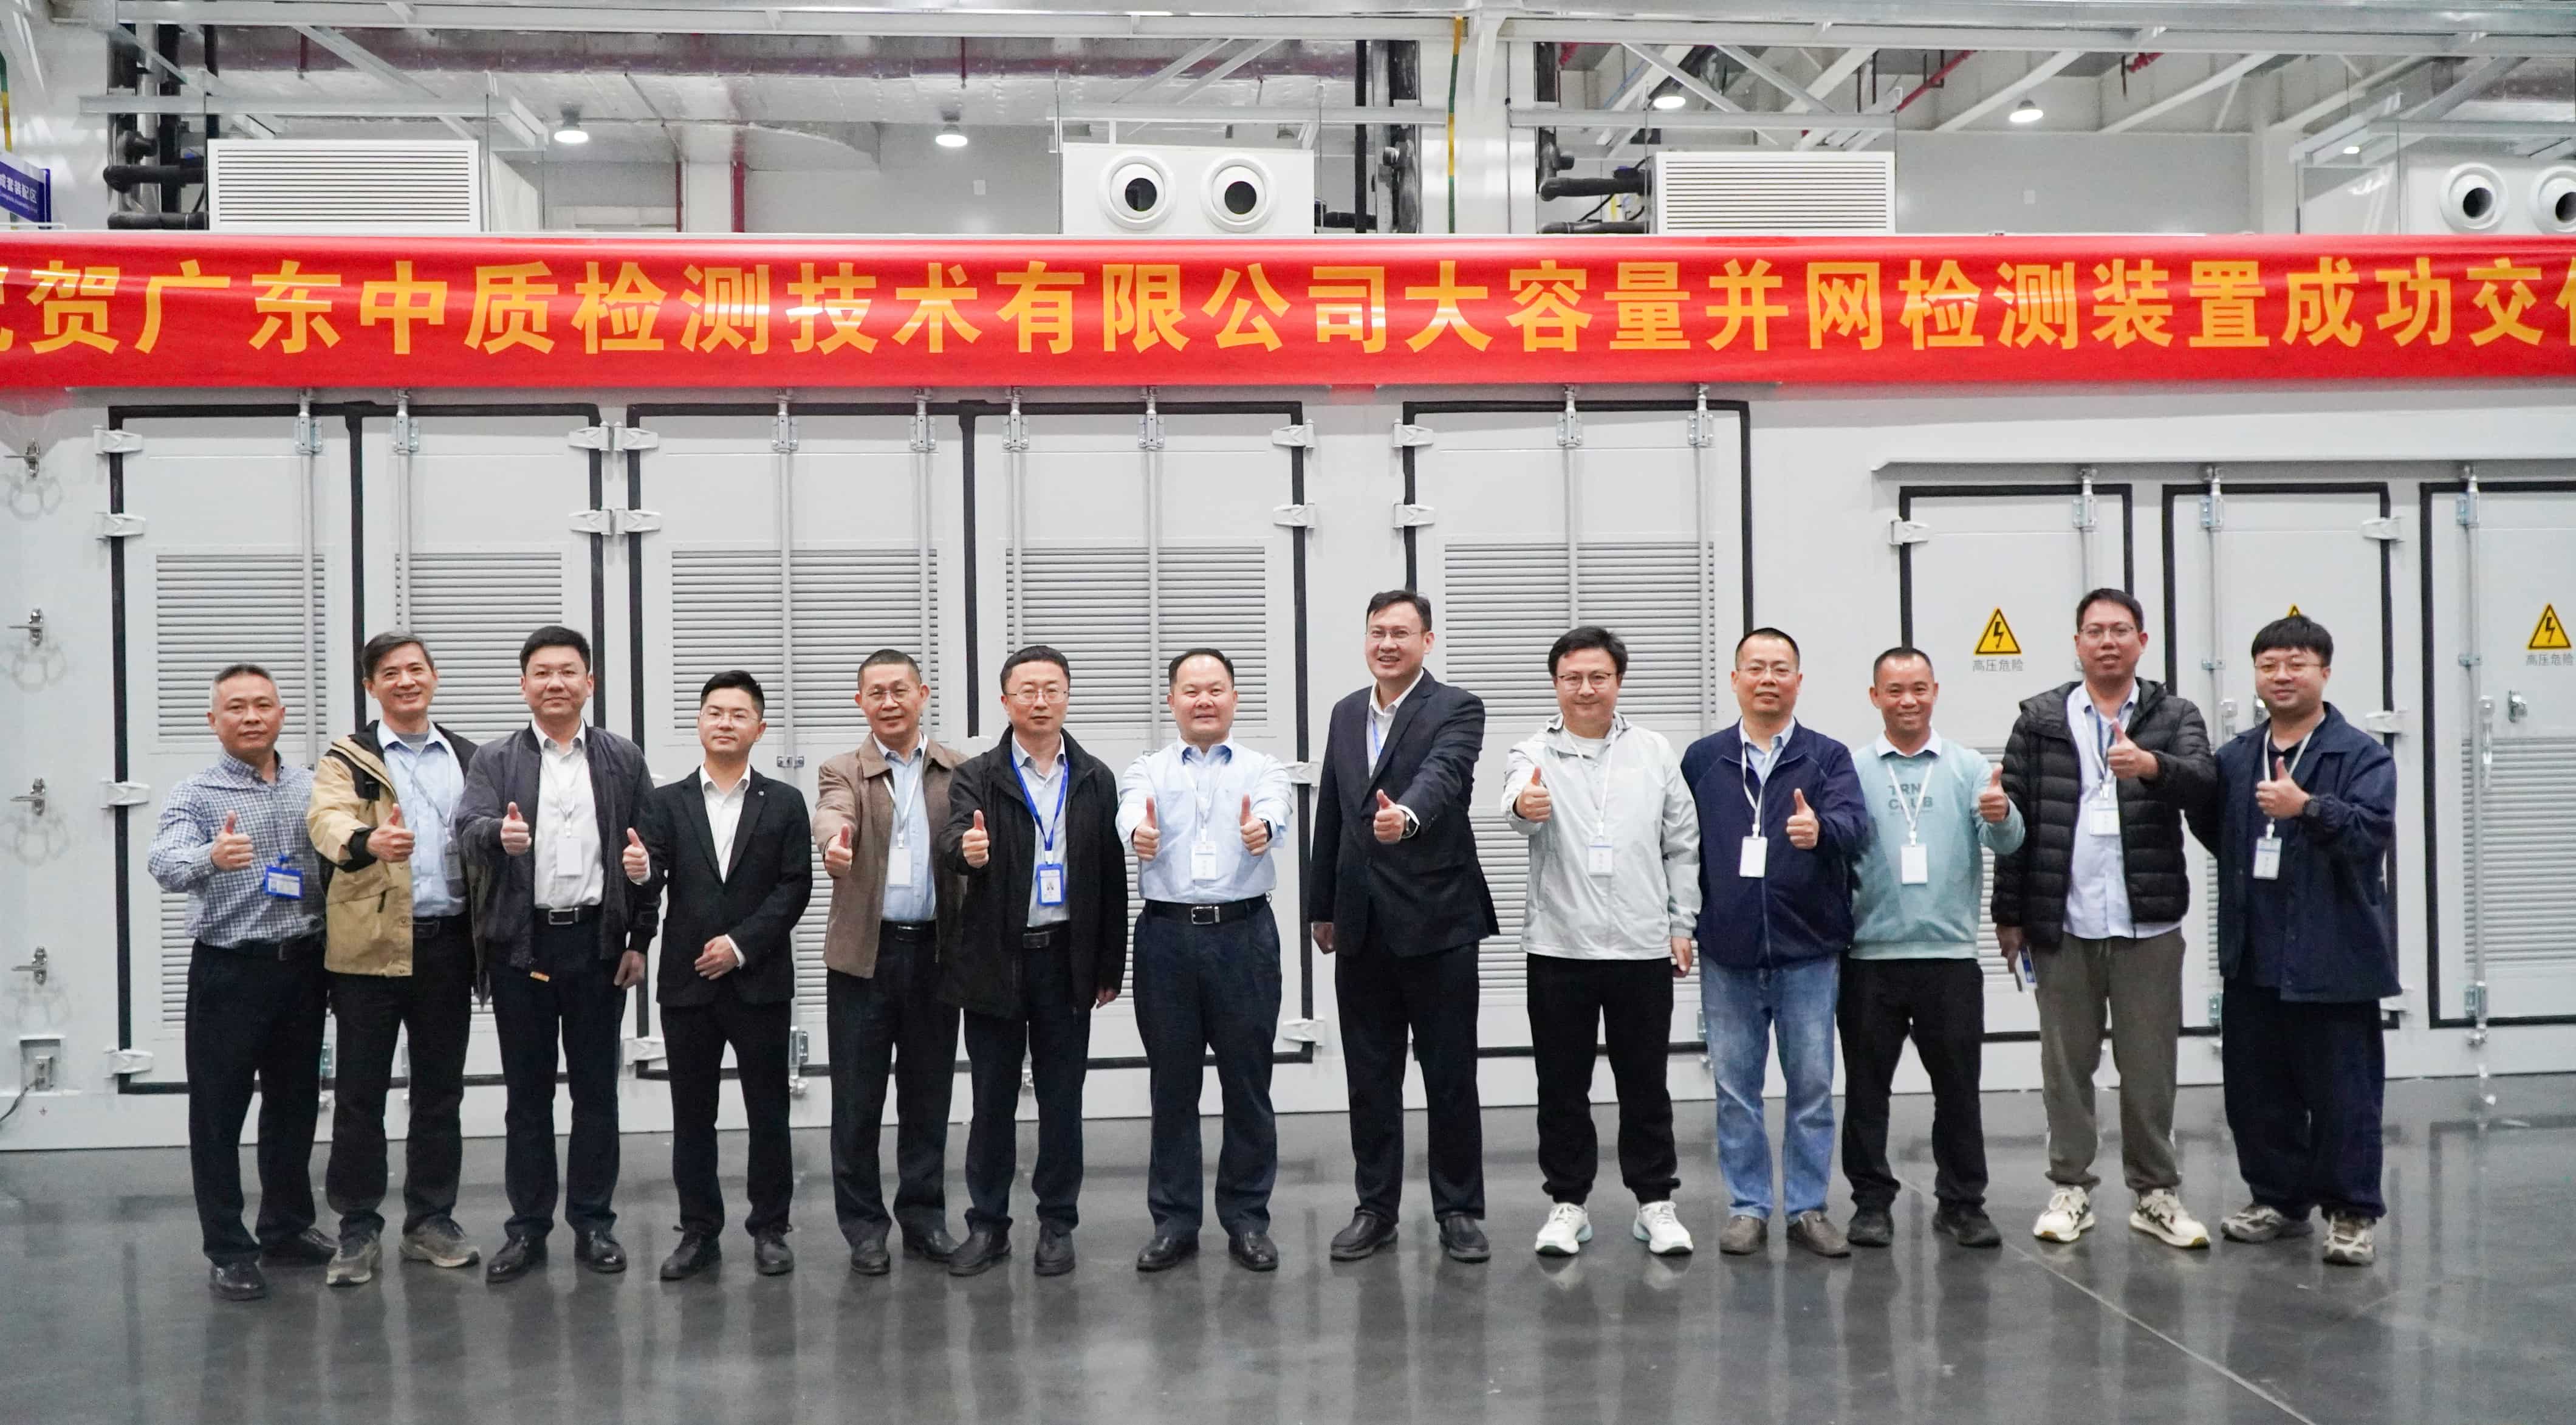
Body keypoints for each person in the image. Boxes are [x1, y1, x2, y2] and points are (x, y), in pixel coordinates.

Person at [1993, 588, 2219, 1249]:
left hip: (2147, 923)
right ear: (2077, 643)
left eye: (2121, 630)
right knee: (2065, 1066)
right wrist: (2008, 913)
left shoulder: (2174, 713)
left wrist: (2152, 766)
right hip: (2062, 923)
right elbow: (2013, 820)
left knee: (2149, 1065)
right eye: (2094, 630)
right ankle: (2070, 1187)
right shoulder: (2039, 719)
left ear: (2142, 642)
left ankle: (2155, 1192)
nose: (2107, 641)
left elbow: (2204, 782)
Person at [2185, 616, 2396, 1268]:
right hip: (2254, 956)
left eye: (2296, 664)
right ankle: (2277, 1199)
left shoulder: (2359, 754)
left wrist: (2307, 806)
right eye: (2269, 664)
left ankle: (2352, 1211)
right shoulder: (2236, 756)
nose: (2282, 676)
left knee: (2343, 1095)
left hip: (2334, 956)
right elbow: (2214, 826)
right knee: (2257, 1092)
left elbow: (2370, 833)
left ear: (2323, 672)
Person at [456, 625, 657, 1284]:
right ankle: (527, 1227)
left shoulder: (622, 757)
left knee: (597, 1093)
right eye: (542, 672)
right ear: (524, 685)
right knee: (528, 1096)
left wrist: (640, 938)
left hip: (597, 944)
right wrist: (500, 833)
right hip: (524, 946)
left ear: (589, 683)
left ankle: (594, 1222)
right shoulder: (495, 759)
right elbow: (466, 827)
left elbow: (649, 853)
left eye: (568, 671)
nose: (555, 683)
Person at [1498, 626, 1701, 1259]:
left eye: (1598, 677)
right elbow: (1513, 804)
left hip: (1642, 945)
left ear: (1618, 681)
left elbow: (1682, 843)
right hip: (1560, 946)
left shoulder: (1654, 750)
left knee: (1646, 1083)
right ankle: (1568, 1203)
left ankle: (1654, 1202)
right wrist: (1525, 805)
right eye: (1572, 678)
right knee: (1561, 1084)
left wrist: (1682, 923)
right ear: (1555, 683)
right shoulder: (1532, 751)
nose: (1585, 689)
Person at [1308, 589, 1498, 1265]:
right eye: (1377, 632)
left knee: (1449, 1073)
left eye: (1401, 632)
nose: (1387, 643)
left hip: (1438, 919)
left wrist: (1406, 816)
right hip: (1360, 921)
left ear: (1427, 640)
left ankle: (1459, 1210)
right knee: (1369, 1077)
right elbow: (1333, 808)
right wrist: (1322, 905)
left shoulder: (1457, 707)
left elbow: (1445, 775)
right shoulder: (1345, 711)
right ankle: (1375, 1208)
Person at [937, 646, 1127, 1278]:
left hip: (1066, 959)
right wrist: (967, 851)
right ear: (1005, 701)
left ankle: (1057, 1224)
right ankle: (988, 1225)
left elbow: (1111, 877)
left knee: (1061, 1099)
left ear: (1067, 696)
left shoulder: (1095, 777)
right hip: (996, 959)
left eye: (1051, 689)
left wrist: (1109, 965)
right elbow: (953, 840)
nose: (1040, 701)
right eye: (1027, 690)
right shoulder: (978, 775)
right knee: (991, 1100)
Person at [1682, 628, 1869, 1258]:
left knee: (1812, 1088)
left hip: (1808, 952)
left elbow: (1855, 824)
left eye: (1781, 668)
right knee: (1736, 1089)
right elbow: (1680, 845)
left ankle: (1808, 1208)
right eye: (1756, 667)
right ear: (1735, 679)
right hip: (1727, 952)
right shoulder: (1703, 759)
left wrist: (1822, 828)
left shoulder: (1827, 756)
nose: (1768, 678)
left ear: (1798, 680)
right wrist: (1682, 923)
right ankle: (1748, 1207)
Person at [148, 664, 332, 1302]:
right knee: (218, 1113)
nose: (251, 716)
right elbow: (164, 862)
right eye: (236, 707)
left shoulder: (312, 784)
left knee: (294, 1105)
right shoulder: (196, 794)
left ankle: (286, 1227)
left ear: (281, 713)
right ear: (214, 720)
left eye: (262, 705)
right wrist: (211, 856)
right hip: (229, 971)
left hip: (302, 966)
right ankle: (229, 1248)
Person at [304, 633, 482, 1288]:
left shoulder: (469, 756)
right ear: (370, 686)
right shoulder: (347, 758)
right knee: (360, 1094)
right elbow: (324, 820)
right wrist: (366, 839)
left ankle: (431, 1220)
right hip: (369, 948)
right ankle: (357, 1227)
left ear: (434, 676)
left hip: (447, 944)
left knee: (440, 1091)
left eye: (415, 669)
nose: (405, 680)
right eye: (390, 672)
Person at [1838, 647, 2024, 1252]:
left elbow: (2007, 840)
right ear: (1874, 696)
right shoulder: (1852, 768)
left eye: (1918, 687)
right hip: (1870, 958)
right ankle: (1870, 1204)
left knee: (1958, 1088)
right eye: (1894, 689)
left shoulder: (1967, 766)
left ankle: (1962, 1203)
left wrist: (2001, 813)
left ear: (1935, 691)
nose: (1908, 700)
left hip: (1949, 957)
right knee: (1866, 1090)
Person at [1117, 648, 1296, 1274]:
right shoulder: (1147, 768)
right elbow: (1130, 808)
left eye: (1215, 689)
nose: (1203, 700)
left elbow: (1276, 808)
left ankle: (1247, 1219)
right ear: (1172, 700)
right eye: (1191, 690)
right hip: (1167, 938)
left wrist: (1262, 829)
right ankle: (1174, 1221)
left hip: (1243, 936)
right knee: (1172, 1086)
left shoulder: (1262, 767)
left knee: (1248, 1084)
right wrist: (1136, 833)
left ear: (1233, 698)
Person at [637, 671, 814, 1280]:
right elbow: (651, 878)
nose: (725, 722)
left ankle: (770, 1228)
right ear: (699, 722)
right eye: (715, 711)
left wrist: (739, 945)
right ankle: (698, 1231)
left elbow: (795, 886)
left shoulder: (784, 802)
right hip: (687, 982)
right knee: (693, 1114)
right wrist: (638, 872)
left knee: (768, 1111)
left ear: (759, 728)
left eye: (739, 714)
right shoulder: (666, 802)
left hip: (758, 979)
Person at [815, 648, 968, 1276]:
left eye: (899, 689)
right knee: (856, 1100)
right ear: (860, 702)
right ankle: (863, 1227)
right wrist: (833, 843)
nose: (888, 701)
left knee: (927, 1095)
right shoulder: (843, 769)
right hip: (864, 957)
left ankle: (924, 1218)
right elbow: (832, 812)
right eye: (875, 692)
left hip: (935, 953)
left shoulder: (958, 768)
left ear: (922, 694)